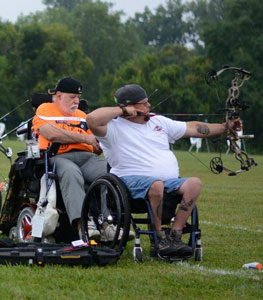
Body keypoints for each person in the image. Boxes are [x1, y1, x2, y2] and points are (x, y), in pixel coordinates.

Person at [86, 84, 237, 257]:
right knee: (156, 184)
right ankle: (158, 238)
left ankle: (174, 235)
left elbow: (193, 128)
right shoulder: (111, 128)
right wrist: (123, 111)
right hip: (128, 183)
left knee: (194, 184)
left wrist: (226, 127)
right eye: (143, 103)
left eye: (147, 102)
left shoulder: (158, 121)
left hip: (166, 183)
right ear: (130, 106)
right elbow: (91, 119)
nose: (148, 106)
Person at [31, 77, 109, 240]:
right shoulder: (45, 109)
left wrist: (100, 144)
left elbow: (95, 147)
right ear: (58, 95)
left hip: (87, 157)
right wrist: (85, 139)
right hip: (58, 156)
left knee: (109, 173)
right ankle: (83, 224)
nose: (76, 101)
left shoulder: (82, 116)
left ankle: (108, 223)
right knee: (71, 173)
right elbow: (51, 133)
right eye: (72, 97)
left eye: (78, 98)